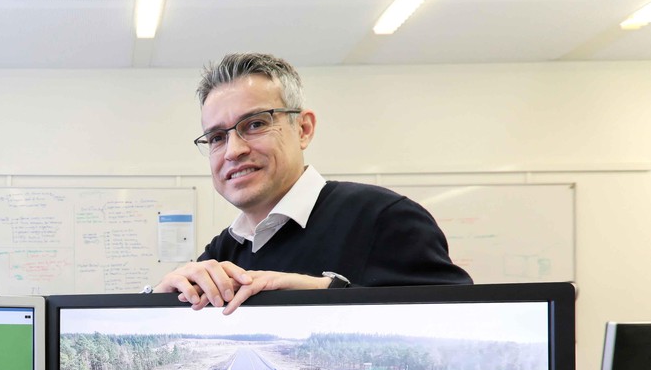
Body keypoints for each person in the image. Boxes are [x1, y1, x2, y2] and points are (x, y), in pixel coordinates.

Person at [153, 52, 471, 314]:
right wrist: (159, 299)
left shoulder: (383, 217)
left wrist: (327, 292)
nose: (234, 150)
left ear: (303, 129)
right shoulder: (224, 250)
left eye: (255, 124)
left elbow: (462, 323)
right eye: (217, 137)